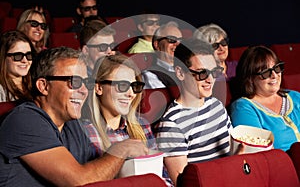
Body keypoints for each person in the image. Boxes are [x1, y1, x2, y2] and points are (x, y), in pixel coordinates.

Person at [0, 46, 149, 186]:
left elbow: (99, 171)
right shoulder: (24, 120)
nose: (84, 90)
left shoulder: (73, 125)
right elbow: (81, 181)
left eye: (86, 82)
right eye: (75, 82)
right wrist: (120, 150)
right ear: (44, 86)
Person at [81, 54, 173, 186]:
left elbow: (162, 177)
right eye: (122, 85)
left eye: (135, 86)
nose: (131, 94)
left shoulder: (141, 126)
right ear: (99, 88)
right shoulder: (85, 132)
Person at [154, 39, 235, 186]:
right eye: (202, 73)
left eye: (214, 72)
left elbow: (232, 152)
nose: (210, 80)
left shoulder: (216, 105)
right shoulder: (171, 124)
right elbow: (184, 184)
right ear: (180, 73)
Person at [230, 45, 300, 151]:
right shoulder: (243, 107)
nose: (274, 75)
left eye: (277, 68)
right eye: (266, 72)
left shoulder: (295, 96)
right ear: (250, 78)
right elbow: (259, 154)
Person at [142, 21, 183, 89]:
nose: (177, 44)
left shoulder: (189, 71)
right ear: (157, 45)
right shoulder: (150, 75)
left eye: (181, 41)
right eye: (172, 39)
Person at [0, 30, 36, 102]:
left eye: (28, 55)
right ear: (4, 58)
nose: (25, 60)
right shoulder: (1, 91)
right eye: (18, 55)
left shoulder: (36, 85)